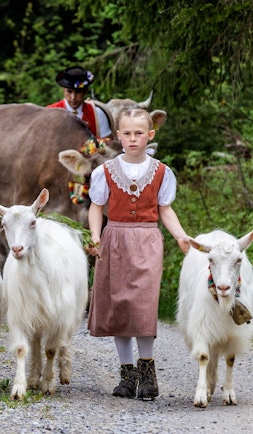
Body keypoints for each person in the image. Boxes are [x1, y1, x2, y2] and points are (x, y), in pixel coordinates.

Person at [86, 108, 189, 400]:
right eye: (127, 133)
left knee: (143, 305)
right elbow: (96, 206)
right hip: (115, 239)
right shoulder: (104, 171)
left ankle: (147, 372)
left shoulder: (161, 172)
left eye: (139, 133)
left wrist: (180, 236)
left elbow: (165, 210)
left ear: (150, 135)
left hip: (147, 240)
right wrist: (95, 236)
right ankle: (126, 373)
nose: (133, 139)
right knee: (119, 305)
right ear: (118, 136)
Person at [47, 66, 112, 140]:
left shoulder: (97, 114)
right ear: (63, 90)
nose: (73, 97)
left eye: (78, 92)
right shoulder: (49, 113)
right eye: (69, 91)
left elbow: (108, 145)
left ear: (85, 91)